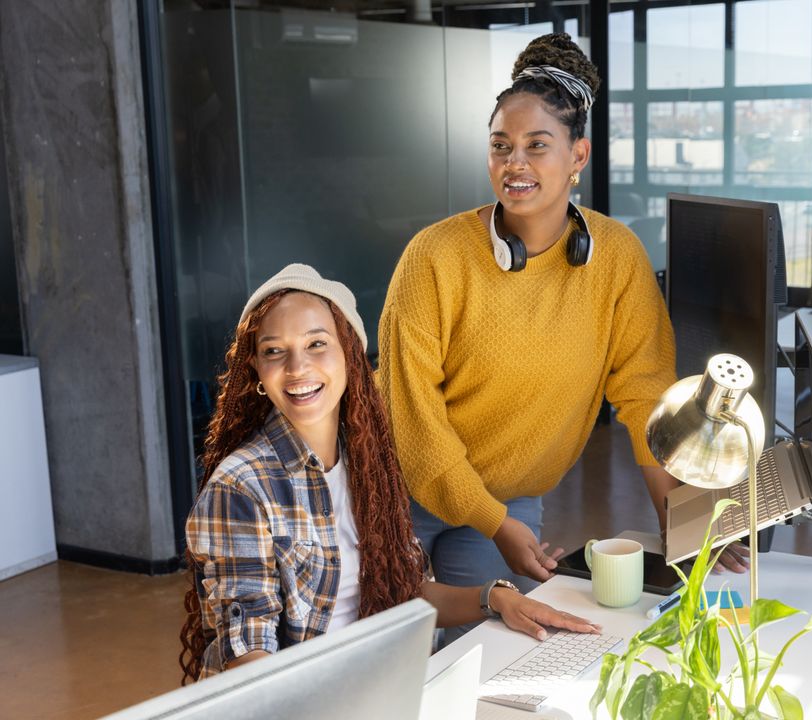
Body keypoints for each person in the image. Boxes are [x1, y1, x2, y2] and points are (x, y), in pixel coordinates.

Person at [377, 34, 748, 638]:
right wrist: (496, 522)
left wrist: (682, 527)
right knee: (392, 647)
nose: (513, 164)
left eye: (535, 146)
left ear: (578, 155)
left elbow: (645, 399)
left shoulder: (617, 258)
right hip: (398, 487)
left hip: (506, 502)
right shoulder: (434, 257)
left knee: (492, 649)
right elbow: (412, 422)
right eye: (500, 146)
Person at [178, 264, 599, 683]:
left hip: (377, 687)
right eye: (274, 351)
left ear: (351, 354)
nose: (297, 367)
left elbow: (400, 593)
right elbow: (248, 658)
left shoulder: (370, 461)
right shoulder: (240, 487)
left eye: (316, 344)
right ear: (256, 370)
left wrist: (496, 599)